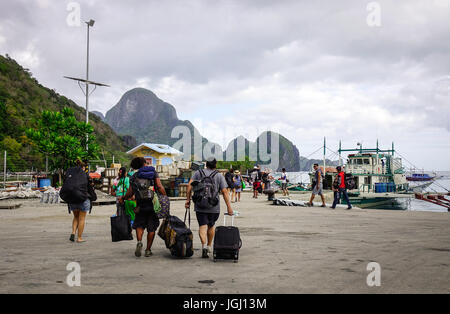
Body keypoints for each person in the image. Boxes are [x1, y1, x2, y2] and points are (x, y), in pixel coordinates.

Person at [185, 157, 234, 258]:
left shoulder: (198, 173)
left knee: (202, 226)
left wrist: (188, 200)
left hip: (200, 205)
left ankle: (203, 246)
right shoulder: (219, 175)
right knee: (211, 226)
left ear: (206, 164)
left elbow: (189, 186)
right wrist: (229, 207)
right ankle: (209, 246)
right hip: (214, 206)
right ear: (215, 165)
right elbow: (225, 192)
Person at [120, 157, 167, 258]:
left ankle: (139, 242)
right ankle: (148, 250)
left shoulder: (134, 176)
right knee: (151, 228)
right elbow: (159, 186)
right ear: (145, 163)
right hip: (152, 205)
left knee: (139, 225)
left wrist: (123, 198)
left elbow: (130, 192)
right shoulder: (153, 173)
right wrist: (165, 196)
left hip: (140, 205)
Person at [68, 160, 95, 243]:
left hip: (72, 199)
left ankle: (73, 232)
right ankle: (79, 238)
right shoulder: (85, 175)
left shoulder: (71, 175)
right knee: (82, 218)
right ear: (83, 168)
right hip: (83, 199)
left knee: (76, 217)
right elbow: (90, 186)